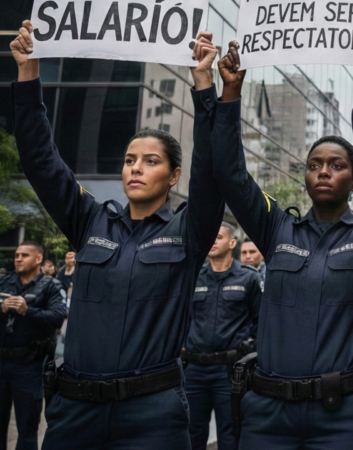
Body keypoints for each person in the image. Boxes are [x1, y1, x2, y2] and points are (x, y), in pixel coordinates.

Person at [10, 22, 224, 449]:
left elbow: (213, 172)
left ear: (173, 175)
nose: (136, 168)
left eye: (150, 161)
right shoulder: (90, 220)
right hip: (74, 412)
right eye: (129, 160)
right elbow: (40, 160)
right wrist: (28, 73)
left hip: (153, 416)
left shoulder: (189, 230)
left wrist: (204, 86)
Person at [210, 43, 353, 449]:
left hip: (344, 416)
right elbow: (231, 174)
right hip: (268, 414)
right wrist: (230, 93)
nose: (324, 171)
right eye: (314, 165)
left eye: (337, 166)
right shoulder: (275, 226)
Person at [184, 222, 261, 450]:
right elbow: (184, 319)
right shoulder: (194, 277)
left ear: (232, 243)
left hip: (229, 371)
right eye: (210, 237)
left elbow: (259, 322)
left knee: (230, 433)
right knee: (191, 432)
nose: (212, 241)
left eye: (218, 237)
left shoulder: (248, 278)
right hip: (195, 370)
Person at [0, 241, 67, 450]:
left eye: (24, 255)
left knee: (27, 428)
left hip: (29, 365)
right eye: (17, 254)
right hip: (1, 361)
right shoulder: (4, 281)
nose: (18, 259)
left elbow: (58, 317)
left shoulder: (51, 286)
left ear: (38, 259)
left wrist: (27, 311)